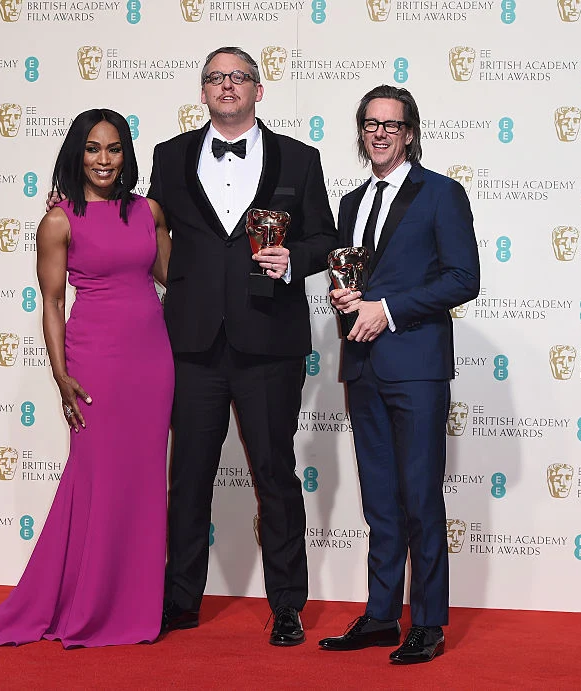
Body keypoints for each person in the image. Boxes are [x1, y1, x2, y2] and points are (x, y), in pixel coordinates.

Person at [0, 108, 173, 648]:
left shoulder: (149, 211)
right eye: (93, 149)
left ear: (127, 155)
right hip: (95, 361)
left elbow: (170, 276)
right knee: (96, 478)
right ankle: (84, 603)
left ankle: (133, 604)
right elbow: (51, 302)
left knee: (142, 482)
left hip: (152, 361)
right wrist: (61, 374)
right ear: (77, 154)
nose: (103, 159)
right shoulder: (59, 220)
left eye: (114, 148)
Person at [152, 46, 338, 646]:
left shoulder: (300, 159)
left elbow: (325, 238)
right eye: (215, 78)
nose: (226, 86)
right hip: (192, 343)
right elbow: (150, 233)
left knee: (276, 476)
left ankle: (287, 605)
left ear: (260, 90)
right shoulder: (169, 156)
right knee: (188, 478)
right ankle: (179, 600)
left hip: (269, 343)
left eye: (238, 77)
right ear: (202, 92)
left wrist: (295, 261)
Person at [318, 85, 480, 664]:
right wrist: (349, 299)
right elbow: (358, 278)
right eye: (370, 123)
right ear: (361, 133)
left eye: (391, 123)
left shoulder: (442, 193)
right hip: (362, 367)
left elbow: (464, 278)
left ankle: (429, 623)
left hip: (415, 368)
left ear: (409, 131)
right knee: (379, 500)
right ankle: (383, 616)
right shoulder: (350, 203)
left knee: (419, 497)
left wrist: (386, 310)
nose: (380, 132)